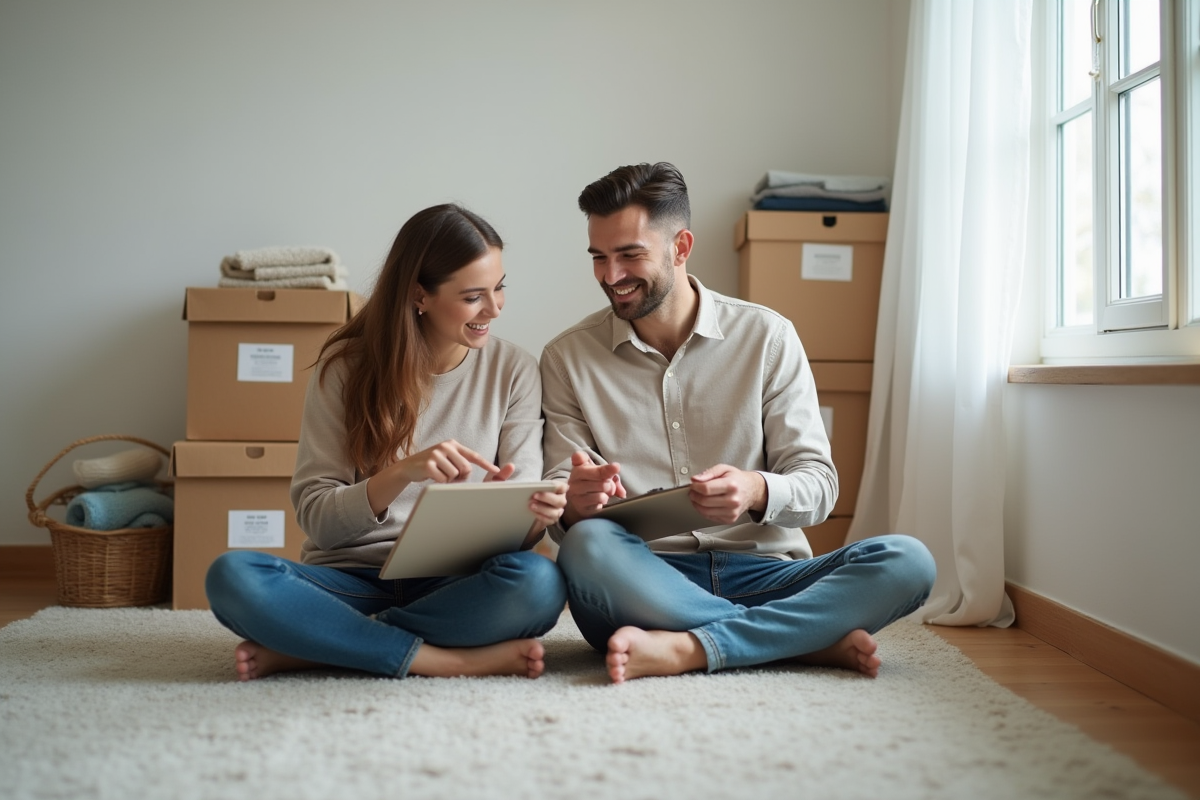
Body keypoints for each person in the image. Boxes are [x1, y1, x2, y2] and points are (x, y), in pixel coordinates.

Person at [540, 162, 936, 683]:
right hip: (641, 580)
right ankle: (800, 641)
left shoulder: (768, 337)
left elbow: (820, 485)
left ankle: (689, 649)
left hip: (769, 571)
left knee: (909, 561)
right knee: (587, 545)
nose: (611, 276)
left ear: (681, 247)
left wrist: (754, 489)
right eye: (599, 257)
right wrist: (575, 502)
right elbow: (557, 499)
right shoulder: (566, 358)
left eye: (630, 255)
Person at [206, 204, 568, 681]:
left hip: (453, 581)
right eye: (473, 296)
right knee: (232, 577)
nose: (494, 309)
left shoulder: (514, 370)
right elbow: (317, 518)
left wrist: (533, 514)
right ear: (420, 295)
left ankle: (322, 646)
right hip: (351, 578)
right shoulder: (344, 369)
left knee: (538, 583)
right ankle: (441, 659)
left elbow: (523, 529)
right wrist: (401, 474)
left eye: (499, 289)